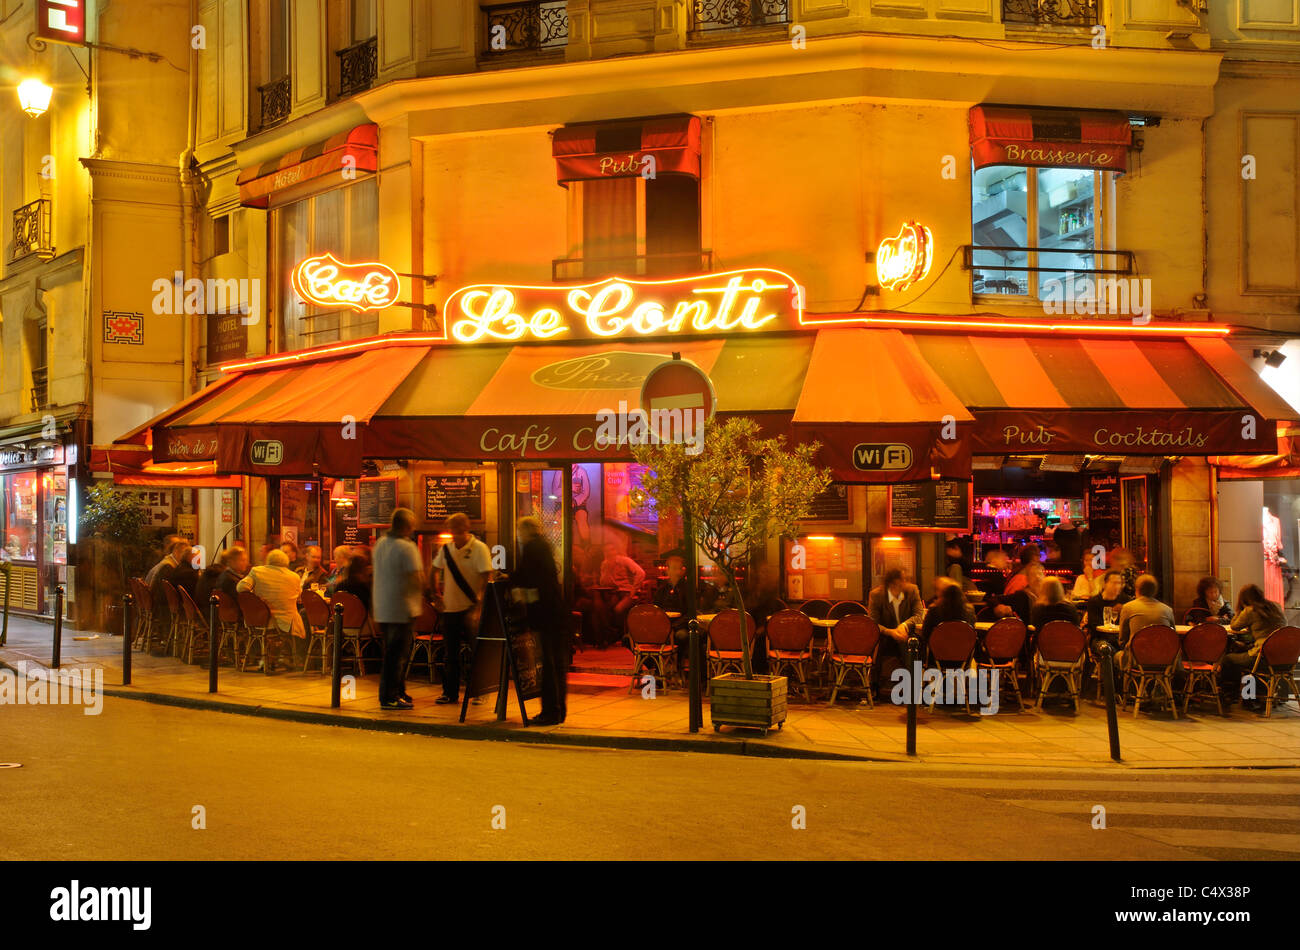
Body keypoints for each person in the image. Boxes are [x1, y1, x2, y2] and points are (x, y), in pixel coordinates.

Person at [432, 512, 493, 705]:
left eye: (457, 532)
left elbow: (486, 577)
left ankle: (479, 691)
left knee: (477, 652)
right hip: (450, 608)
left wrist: (479, 606)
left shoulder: (479, 549)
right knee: (450, 653)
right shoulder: (447, 549)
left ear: (465, 529)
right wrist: (436, 594)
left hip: (471, 607)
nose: (454, 536)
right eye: (452, 532)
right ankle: (449, 693)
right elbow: (434, 569)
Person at [513, 517, 568, 725]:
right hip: (556, 612)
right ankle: (559, 710)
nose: (518, 535)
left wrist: (509, 581)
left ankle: (550, 712)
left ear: (525, 531)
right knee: (558, 665)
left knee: (548, 664)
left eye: (519, 531)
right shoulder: (545, 546)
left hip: (545, 614)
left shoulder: (532, 547)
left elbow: (525, 575)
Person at [372, 508, 424, 710]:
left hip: (383, 607)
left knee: (392, 653)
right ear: (406, 526)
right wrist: (428, 596)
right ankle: (390, 697)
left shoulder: (380, 544)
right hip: (402, 607)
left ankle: (399, 691)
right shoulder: (407, 547)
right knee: (397, 655)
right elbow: (416, 577)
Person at [237, 549, 306, 671]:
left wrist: (255, 597)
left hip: (262, 619)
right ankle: (290, 658)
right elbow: (299, 597)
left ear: (268, 560)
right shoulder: (294, 576)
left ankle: (269, 659)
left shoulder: (257, 571)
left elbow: (241, 587)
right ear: (286, 561)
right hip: (286, 622)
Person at [1222, 584, 1286, 708]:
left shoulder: (1250, 610)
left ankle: (1231, 695)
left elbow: (1234, 625)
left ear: (1244, 599)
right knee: (1248, 658)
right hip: (1284, 658)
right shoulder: (1276, 606)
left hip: (1263, 657)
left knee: (1229, 660)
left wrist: (1240, 609)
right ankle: (1252, 698)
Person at [1114, 574, 1175, 669]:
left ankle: (1127, 683)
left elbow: (1122, 640)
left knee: (1116, 656)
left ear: (1137, 589)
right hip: (1163, 661)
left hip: (1136, 661)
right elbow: (1172, 637)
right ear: (1155, 590)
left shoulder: (1128, 608)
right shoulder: (1167, 610)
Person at [599, 539, 646, 644]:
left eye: (611, 550)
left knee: (618, 609)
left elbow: (641, 573)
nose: (609, 553)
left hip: (628, 593)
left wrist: (634, 589)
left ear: (615, 551)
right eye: (606, 551)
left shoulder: (624, 561)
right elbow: (603, 582)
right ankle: (610, 634)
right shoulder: (605, 564)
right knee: (605, 609)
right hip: (615, 593)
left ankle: (619, 635)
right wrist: (607, 570)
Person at [919, 578, 975, 650]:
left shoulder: (934, 611)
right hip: (963, 655)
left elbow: (925, 634)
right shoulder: (969, 611)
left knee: (918, 644)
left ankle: (917, 661)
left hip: (937, 654)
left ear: (943, 596)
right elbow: (971, 633)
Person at [1084, 570, 1130, 638]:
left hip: (1120, 638)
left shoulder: (1125, 600)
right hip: (1100, 638)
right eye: (1114, 583)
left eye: (1119, 583)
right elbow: (1094, 626)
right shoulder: (1094, 601)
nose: (1117, 586)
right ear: (1105, 584)